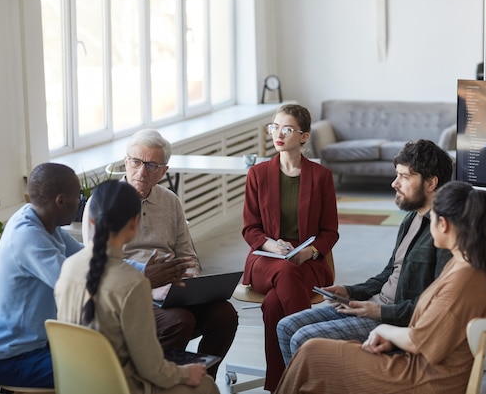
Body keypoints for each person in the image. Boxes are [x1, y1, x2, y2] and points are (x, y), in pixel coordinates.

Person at [274, 181, 486, 394]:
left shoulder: (464, 279)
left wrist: (386, 331)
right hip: (422, 364)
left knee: (311, 352)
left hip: (423, 379)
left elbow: (420, 341)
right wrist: (392, 338)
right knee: (312, 351)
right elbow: (435, 330)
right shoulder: (472, 265)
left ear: (443, 224)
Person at [277, 139, 453, 366]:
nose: (394, 183)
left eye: (404, 177)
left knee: (303, 338)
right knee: (285, 326)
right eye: (396, 174)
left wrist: (379, 311)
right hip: (373, 305)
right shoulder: (412, 218)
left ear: (431, 183)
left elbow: (432, 307)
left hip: (393, 321)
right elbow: (390, 272)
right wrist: (350, 291)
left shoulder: (444, 233)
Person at [82, 128, 238, 379]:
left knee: (225, 315)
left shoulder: (170, 201)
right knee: (180, 321)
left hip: (173, 287)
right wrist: (150, 285)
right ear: (125, 162)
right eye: (136, 162)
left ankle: (202, 381)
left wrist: (190, 283)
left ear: (164, 171)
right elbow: (97, 263)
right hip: (129, 291)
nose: (142, 172)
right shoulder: (102, 203)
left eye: (152, 165)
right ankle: (156, 381)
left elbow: (187, 253)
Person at [55, 180, 218, 394]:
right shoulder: (132, 283)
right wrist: (187, 373)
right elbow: (152, 369)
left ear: (91, 221)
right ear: (134, 224)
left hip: (74, 385)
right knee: (206, 384)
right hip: (120, 387)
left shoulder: (68, 267)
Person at [242, 103, 339, 391]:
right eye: (274, 127)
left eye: (287, 128)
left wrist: (309, 252)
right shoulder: (257, 174)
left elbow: (330, 231)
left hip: (308, 260)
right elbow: (250, 229)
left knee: (273, 305)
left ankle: (279, 385)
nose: (278, 134)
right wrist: (273, 246)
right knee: (285, 272)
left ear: (304, 136)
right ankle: (311, 360)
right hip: (266, 258)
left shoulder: (321, 177)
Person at [0, 163, 84, 387]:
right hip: (12, 359)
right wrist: (136, 281)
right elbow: (74, 284)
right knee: (102, 372)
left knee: (113, 360)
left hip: (38, 347)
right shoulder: (28, 236)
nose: (80, 203)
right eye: (78, 195)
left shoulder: (45, 223)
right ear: (61, 201)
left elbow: (88, 258)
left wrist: (142, 270)